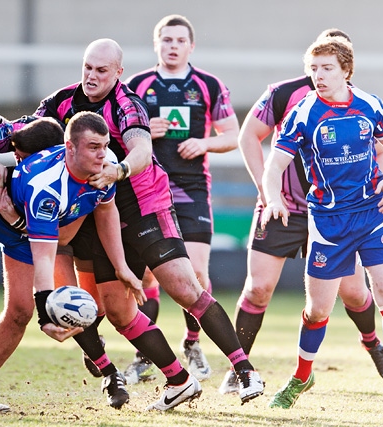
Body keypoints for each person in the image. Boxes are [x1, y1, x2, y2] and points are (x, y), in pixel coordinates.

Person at [31, 38, 264, 409]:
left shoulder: (126, 104)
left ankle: (245, 371)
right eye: (87, 67)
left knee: (185, 288)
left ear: (118, 73)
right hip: (98, 213)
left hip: (144, 204)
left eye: (101, 70)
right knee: (119, 311)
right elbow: (31, 134)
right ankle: (178, 381)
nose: (91, 76)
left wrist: (119, 169)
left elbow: (141, 148)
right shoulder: (60, 103)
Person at [218, 29, 383, 395]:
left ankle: (371, 341)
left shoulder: (358, 101)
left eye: (332, 63)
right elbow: (248, 135)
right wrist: (267, 193)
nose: (323, 72)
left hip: (336, 214)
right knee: (258, 289)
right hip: (283, 208)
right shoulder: (284, 93)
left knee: (355, 294)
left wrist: (380, 182)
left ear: (345, 66)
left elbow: (382, 148)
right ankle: (239, 368)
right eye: (318, 63)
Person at [261, 36, 383, 411]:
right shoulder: (303, 113)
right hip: (329, 224)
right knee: (318, 310)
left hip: (374, 215)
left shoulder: (370, 105)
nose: (318, 76)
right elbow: (275, 166)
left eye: (326, 69)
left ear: (346, 71)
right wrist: (273, 198)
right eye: (313, 69)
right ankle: (303, 375)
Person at [0, 112, 147, 411]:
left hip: (26, 232)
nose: (101, 153)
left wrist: (121, 267)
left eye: (101, 146)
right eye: (93, 146)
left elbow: (85, 225)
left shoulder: (100, 170)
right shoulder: (34, 171)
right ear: (68, 148)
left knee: (19, 312)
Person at [122, 14, 240, 384]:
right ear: (157, 44)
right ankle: (145, 354)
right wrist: (141, 133)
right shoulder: (137, 85)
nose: (172, 46)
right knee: (142, 276)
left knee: (197, 274)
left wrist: (205, 142)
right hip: (144, 191)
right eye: (166, 40)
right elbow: (114, 133)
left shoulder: (208, 85)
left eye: (179, 40)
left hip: (191, 190)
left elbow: (233, 135)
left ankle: (192, 343)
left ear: (191, 46)